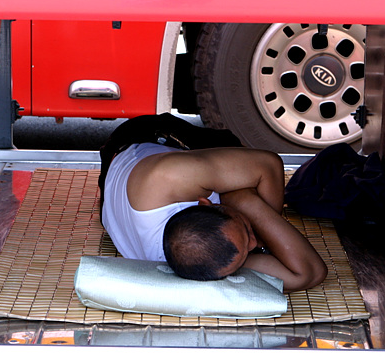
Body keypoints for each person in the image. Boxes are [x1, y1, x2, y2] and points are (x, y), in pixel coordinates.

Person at [99, 116, 327, 292]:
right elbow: (308, 274)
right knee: (244, 190)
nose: (254, 242)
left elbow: (269, 164)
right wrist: (247, 204)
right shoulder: (201, 258)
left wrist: (251, 212)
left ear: (204, 203)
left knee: (231, 146)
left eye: (247, 230)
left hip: (141, 139)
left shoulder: (169, 177)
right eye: (246, 249)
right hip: (117, 197)